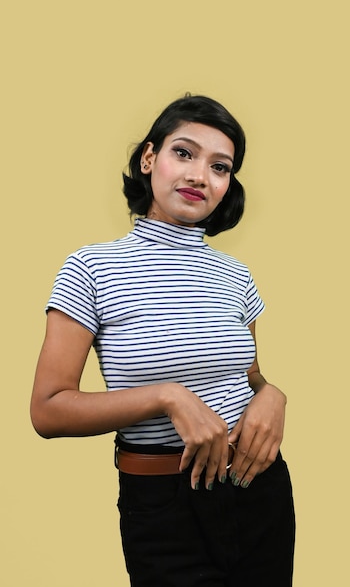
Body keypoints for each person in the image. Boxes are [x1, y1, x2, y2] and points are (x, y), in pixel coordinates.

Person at [30, 94, 295, 586]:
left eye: (220, 166)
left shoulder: (236, 276)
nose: (200, 175)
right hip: (164, 503)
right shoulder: (91, 268)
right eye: (184, 153)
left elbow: (250, 376)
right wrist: (167, 397)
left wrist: (274, 396)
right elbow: (48, 410)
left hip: (261, 490)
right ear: (149, 158)